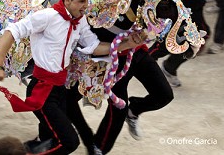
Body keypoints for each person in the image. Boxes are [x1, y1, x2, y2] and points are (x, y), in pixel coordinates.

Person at [0, 0, 147, 154]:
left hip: (60, 91)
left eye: (87, 2)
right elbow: (13, 30)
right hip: (43, 92)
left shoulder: (80, 21)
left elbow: (94, 47)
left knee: (53, 139)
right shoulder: (48, 16)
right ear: (67, 0)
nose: (85, 6)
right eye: (81, 1)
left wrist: (126, 45)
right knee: (69, 142)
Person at [66, 26, 173, 155]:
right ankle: (97, 148)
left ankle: (133, 112)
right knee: (117, 109)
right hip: (110, 56)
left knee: (164, 95)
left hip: (136, 51)